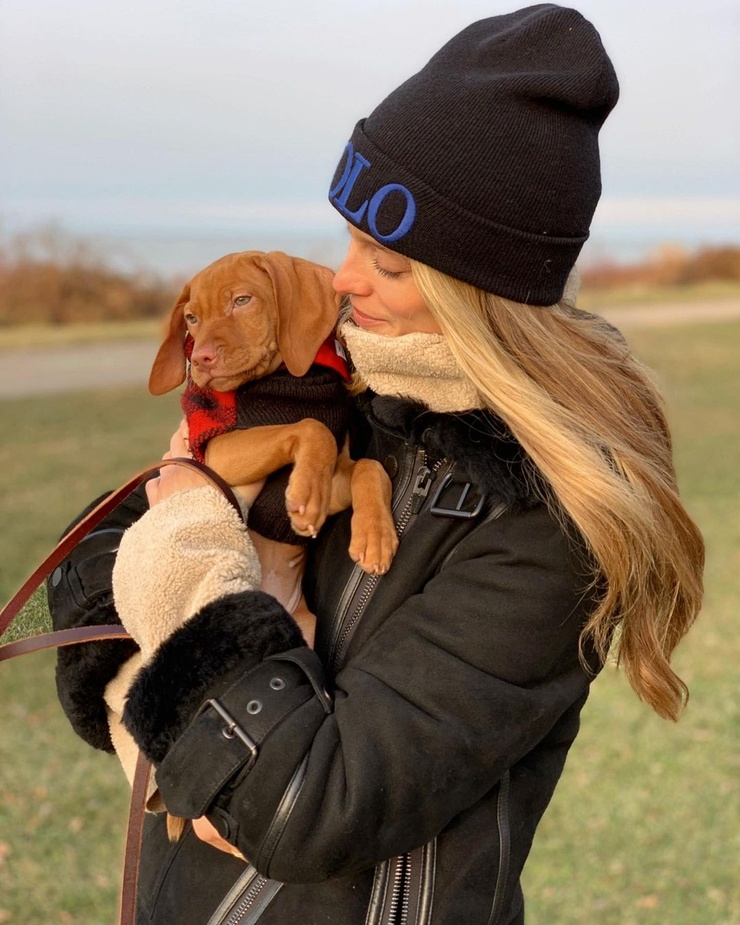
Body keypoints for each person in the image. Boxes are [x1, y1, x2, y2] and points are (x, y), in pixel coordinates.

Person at [48, 5, 704, 924]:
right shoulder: (340, 386)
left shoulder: (549, 525)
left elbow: (306, 804)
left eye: (386, 262)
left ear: (481, 294)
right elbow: (92, 564)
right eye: (349, 236)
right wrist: (151, 706)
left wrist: (192, 564)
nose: (344, 278)